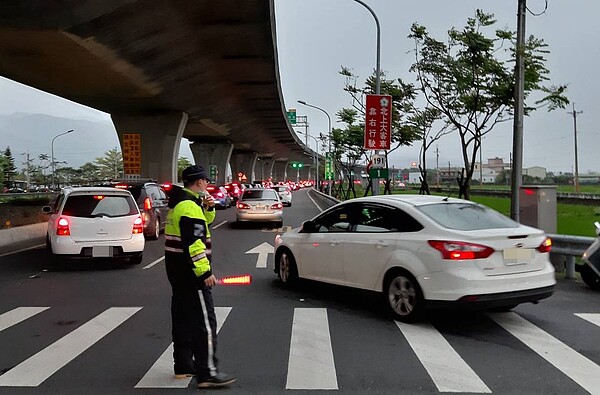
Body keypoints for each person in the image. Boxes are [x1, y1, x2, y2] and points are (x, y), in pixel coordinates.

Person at [164, 164, 236, 388]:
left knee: (183, 320)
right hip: (191, 275)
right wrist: (204, 272)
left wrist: (208, 209)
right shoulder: (189, 208)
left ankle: (184, 365)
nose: (207, 184)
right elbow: (194, 243)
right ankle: (208, 373)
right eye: (206, 181)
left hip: (176, 273)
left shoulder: (181, 205)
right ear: (199, 182)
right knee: (205, 324)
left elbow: (202, 226)